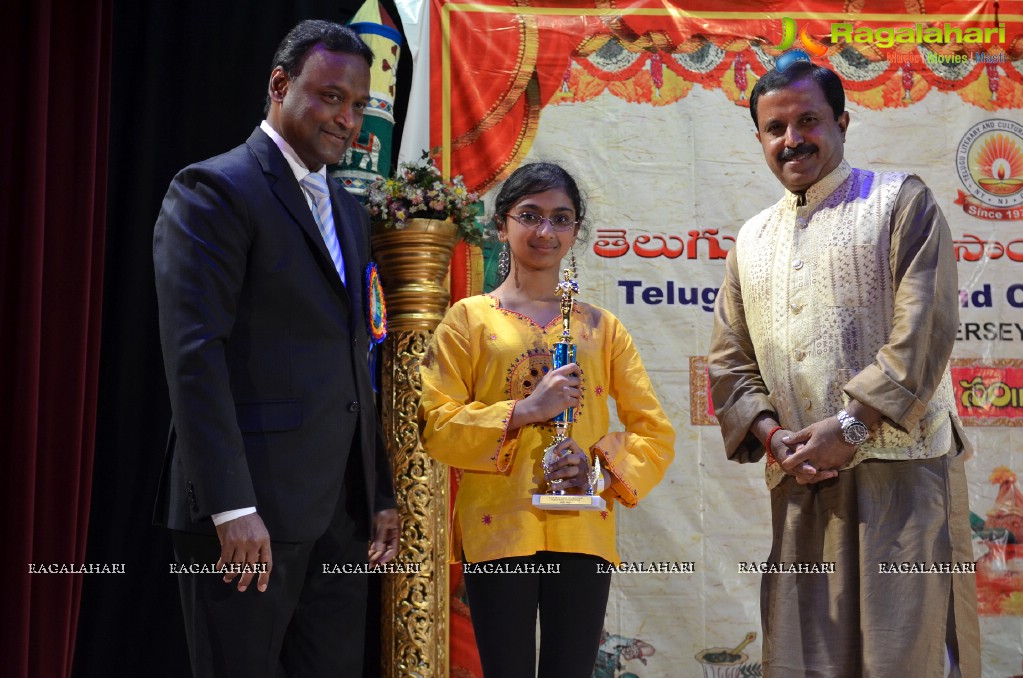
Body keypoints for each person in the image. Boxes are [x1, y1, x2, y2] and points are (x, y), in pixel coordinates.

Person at [708, 60, 980, 677]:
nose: (792, 139)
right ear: (759, 139)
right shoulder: (750, 241)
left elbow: (924, 331)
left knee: (903, 651)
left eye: (808, 121)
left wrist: (851, 426)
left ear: (842, 123)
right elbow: (730, 365)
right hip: (801, 476)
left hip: (901, 473)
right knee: (807, 652)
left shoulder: (900, 201)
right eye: (775, 127)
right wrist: (775, 439)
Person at [153, 20, 398, 678]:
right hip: (247, 513)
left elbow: (353, 359)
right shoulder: (213, 190)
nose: (347, 119)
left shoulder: (348, 209)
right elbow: (194, 357)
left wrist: (376, 493)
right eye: (329, 97)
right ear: (279, 85)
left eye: (358, 105)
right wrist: (233, 507)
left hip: (337, 516)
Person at [418, 163, 675, 678]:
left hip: (581, 528)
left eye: (561, 219)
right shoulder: (468, 319)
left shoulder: (602, 328)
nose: (545, 232)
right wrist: (526, 411)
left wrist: (598, 472)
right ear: (501, 226)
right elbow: (437, 425)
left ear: (575, 230)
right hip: (500, 526)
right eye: (530, 216)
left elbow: (654, 432)